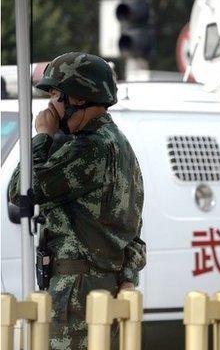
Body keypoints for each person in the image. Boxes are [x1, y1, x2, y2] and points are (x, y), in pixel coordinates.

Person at [8, 52, 145, 350]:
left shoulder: (88, 149)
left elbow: (20, 191)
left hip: (75, 291)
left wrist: (42, 136)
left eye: (56, 95)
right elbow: (133, 229)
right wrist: (127, 277)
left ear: (78, 100)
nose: (50, 105)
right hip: (102, 287)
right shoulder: (119, 145)